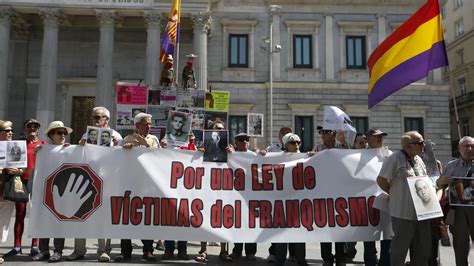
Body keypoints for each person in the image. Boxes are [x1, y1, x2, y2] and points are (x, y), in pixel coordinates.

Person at [68, 107, 123, 262]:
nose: (96, 120)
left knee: (104, 216)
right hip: (87, 180)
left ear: (107, 119)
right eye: (94, 117)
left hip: (107, 181)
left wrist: (117, 145)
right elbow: (79, 155)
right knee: (80, 213)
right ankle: (79, 249)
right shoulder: (87, 135)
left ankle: (104, 250)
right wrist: (80, 145)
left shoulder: (116, 135)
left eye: (99, 117)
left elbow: (124, 156)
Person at [377, 131, 431, 265]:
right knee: (399, 251)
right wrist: (395, 193)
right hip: (402, 214)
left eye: (423, 142)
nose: (422, 145)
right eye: (419, 143)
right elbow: (381, 179)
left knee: (423, 250)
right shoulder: (395, 158)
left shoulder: (419, 159)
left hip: (422, 213)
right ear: (407, 145)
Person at [117, 113, 160, 262]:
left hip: (147, 185)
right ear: (137, 125)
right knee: (126, 217)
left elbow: (159, 158)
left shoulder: (154, 140)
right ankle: (125, 251)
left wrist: (146, 146)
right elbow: (117, 156)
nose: (149, 126)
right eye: (145, 123)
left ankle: (148, 250)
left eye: (150, 124)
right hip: (129, 183)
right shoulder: (128, 139)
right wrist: (126, 148)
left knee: (147, 217)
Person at [3, 119, 45, 259]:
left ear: (38, 128)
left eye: (35, 126)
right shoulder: (18, 145)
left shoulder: (43, 145)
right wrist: (11, 169)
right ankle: (17, 246)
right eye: (29, 125)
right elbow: (8, 161)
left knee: (35, 215)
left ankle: (35, 246)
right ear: (24, 128)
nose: (32, 128)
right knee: (20, 214)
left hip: (36, 182)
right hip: (20, 181)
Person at [32, 121, 73, 262]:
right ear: (51, 135)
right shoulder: (43, 150)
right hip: (46, 190)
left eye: (64, 133)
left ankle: (58, 251)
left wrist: (74, 150)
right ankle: (44, 251)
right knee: (44, 219)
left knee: (59, 220)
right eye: (59, 133)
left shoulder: (70, 149)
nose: (62, 135)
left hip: (63, 191)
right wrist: (37, 152)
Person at [437, 136, 474, 266]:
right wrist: (442, 181)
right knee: (460, 244)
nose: (469, 149)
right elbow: (439, 185)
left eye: (472, 146)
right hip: (456, 211)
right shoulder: (451, 165)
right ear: (459, 148)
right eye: (466, 146)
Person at [313, 126, 347, 265]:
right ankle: (327, 258)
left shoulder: (342, 148)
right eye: (321, 133)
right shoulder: (317, 149)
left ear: (333, 134)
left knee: (340, 226)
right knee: (325, 227)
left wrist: (344, 143)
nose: (323, 135)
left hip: (339, 193)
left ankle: (341, 258)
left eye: (326, 132)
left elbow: (351, 158)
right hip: (323, 193)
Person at [273, 133, 307, 266]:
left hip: (299, 202)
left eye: (298, 142)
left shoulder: (305, 157)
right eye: (293, 143)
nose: (297, 145)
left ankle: (301, 259)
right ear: (286, 146)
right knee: (281, 233)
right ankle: (280, 260)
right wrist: (262, 154)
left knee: (299, 232)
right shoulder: (278, 158)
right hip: (282, 202)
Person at [227, 133, 258, 261]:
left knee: (251, 224)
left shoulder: (254, 155)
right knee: (238, 224)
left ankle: (251, 252)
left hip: (252, 195)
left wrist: (263, 154)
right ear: (236, 142)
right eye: (241, 140)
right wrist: (228, 154)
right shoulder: (231, 154)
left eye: (246, 140)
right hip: (237, 194)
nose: (244, 141)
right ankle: (237, 250)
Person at [363, 128, 391, 266]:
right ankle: (370, 261)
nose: (380, 139)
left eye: (382, 136)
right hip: (366, 202)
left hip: (386, 199)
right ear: (368, 139)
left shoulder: (389, 154)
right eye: (377, 136)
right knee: (368, 234)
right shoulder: (359, 155)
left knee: (388, 233)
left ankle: (385, 261)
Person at [0, 121, 18, 263]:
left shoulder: (15, 148)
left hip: (7, 190)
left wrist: (18, 170)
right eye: (6, 131)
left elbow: (23, 169)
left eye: (11, 130)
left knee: (3, 222)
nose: (10, 133)